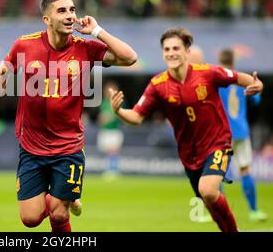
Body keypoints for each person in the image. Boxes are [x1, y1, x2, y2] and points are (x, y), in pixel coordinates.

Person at [0, 0, 138, 232]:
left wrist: (97, 31)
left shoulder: (85, 48)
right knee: (30, 219)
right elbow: (1, 75)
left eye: (72, 9)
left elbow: (130, 58)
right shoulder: (25, 44)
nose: (70, 15)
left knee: (59, 215)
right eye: (62, 11)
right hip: (32, 145)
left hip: (68, 147)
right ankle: (65, 196)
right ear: (47, 19)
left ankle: (63, 201)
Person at [109, 27, 263, 232]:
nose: (171, 53)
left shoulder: (207, 73)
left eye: (176, 48)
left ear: (187, 52)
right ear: (163, 53)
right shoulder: (158, 85)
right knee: (209, 201)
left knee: (208, 190)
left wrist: (257, 85)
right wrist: (118, 111)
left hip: (218, 142)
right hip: (190, 154)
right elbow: (136, 117)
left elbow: (244, 79)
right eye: (167, 49)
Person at [218, 48, 268, 222]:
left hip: (222, 133)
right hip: (241, 131)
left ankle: (218, 213)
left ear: (220, 61)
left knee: (216, 173)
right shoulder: (240, 79)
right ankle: (254, 211)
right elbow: (256, 100)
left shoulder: (217, 80)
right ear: (233, 62)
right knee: (245, 170)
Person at [97, 81, 124, 181]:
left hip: (114, 131)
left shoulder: (119, 101)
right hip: (105, 131)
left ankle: (113, 170)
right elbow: (101, 118)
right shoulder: (104, 103)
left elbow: (122, 115)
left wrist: (111, 117)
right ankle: (109, 169)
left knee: (114, 151)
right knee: (108, 151)